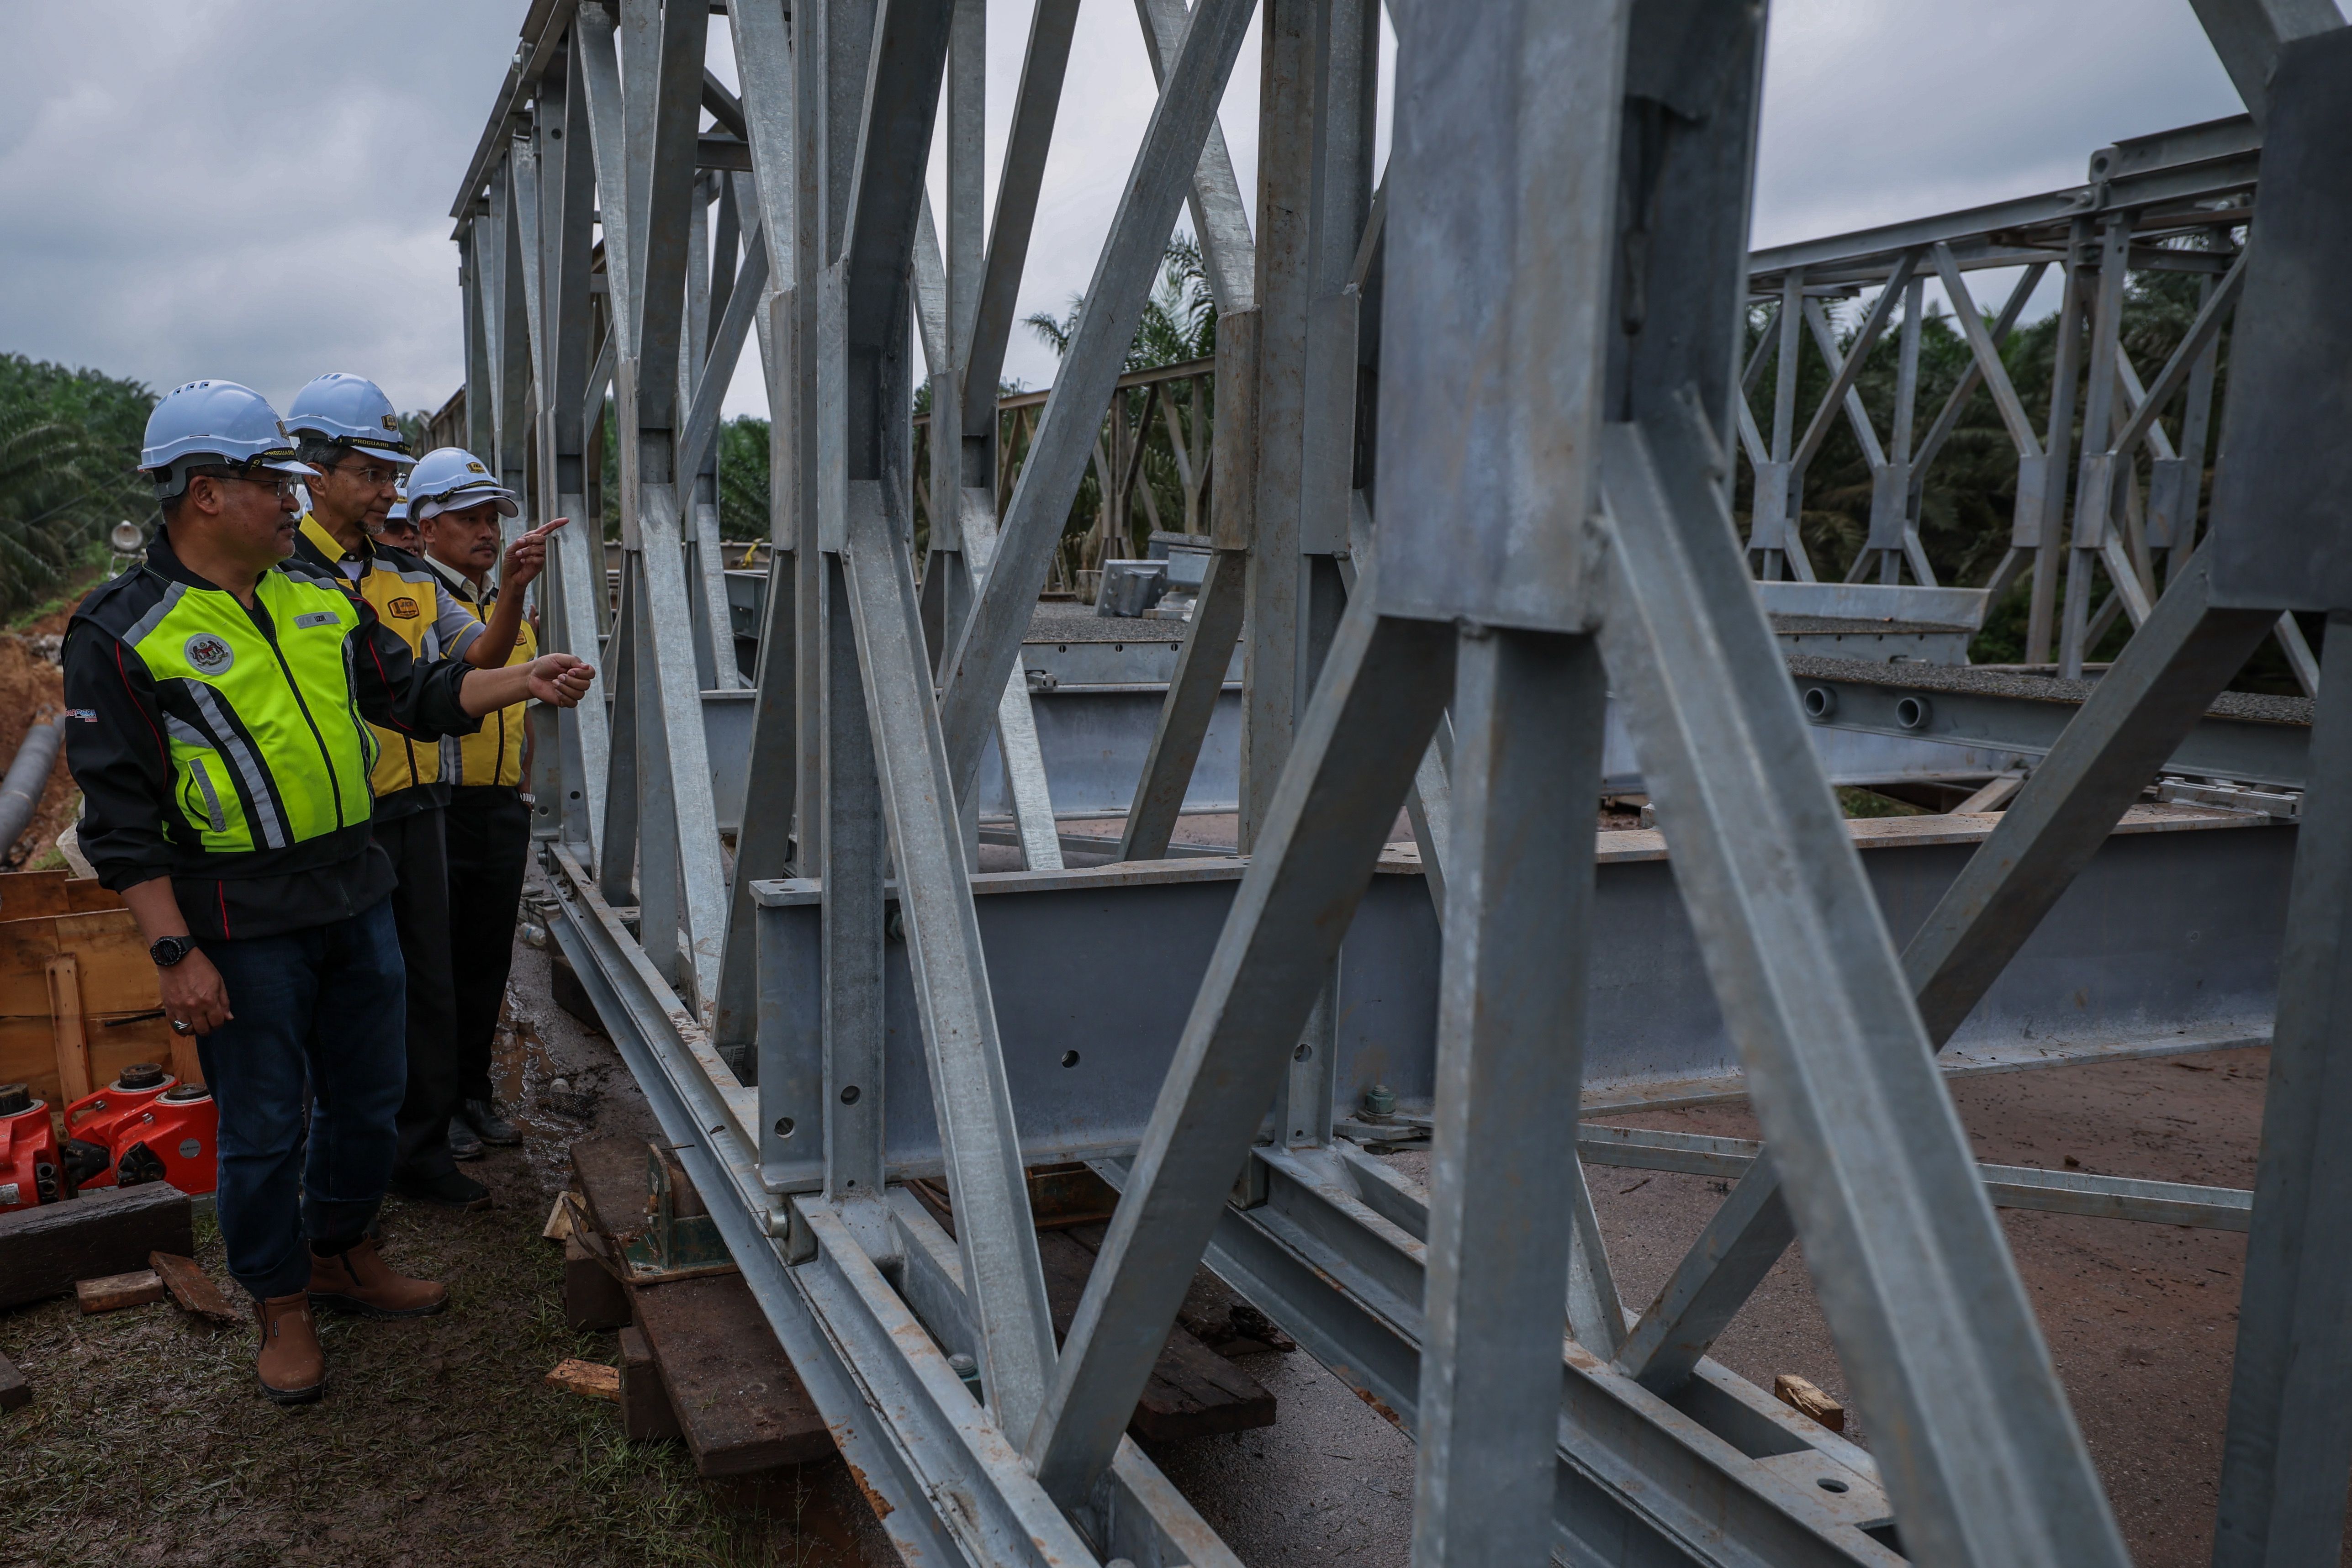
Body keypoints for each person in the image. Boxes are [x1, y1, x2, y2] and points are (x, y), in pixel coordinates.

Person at [62, 380, 595, 1404]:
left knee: (369, 1096)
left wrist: (521, 681)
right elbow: (119, 822)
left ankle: (341, 1249)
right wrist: (176, 954)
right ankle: (280, 1301)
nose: (294, 502)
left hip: (356, 889)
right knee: (264, 1123)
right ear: (207, 492)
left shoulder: (318, 600)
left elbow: (418, 696)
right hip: (239, 918)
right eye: (276, 484)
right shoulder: (124, 631)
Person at [284, 375, 560, 1210]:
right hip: (339, 820)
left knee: (430, 984)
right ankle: (346, 1161)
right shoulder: (285, 578)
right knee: (355, 992)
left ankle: (418, 1142)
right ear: (314, 473)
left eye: (389, 475)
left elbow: (453, 674)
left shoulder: (400, 575)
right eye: (372, 473)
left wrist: (518, 642)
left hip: (421, 809)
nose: (386, 492)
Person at [410, 448, 568, 1161]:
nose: (485, 531)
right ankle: (434, 1109)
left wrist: (525, 783)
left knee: (484, 961)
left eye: (491, 518)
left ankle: (473, 1092)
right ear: (424, 527)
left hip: (500, 805)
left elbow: (521, 705)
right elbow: (466, 677)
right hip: (437, 806)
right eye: (467, 518)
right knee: (433, 969)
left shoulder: (498, 599)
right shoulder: (414, 600)